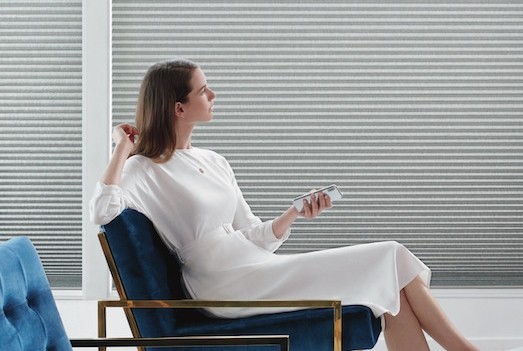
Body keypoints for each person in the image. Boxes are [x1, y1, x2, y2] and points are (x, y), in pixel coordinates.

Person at [90, 59, 479, 351]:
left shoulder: (214, 160)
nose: (213, 95)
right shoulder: (144, 169)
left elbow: (250, 232)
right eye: (204, 90)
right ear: (178, 108)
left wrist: (292, 214)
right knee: (390, 256)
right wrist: (121, 149)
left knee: (390, 285)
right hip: (223, 284)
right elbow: (102, 211)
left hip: (256, 267)